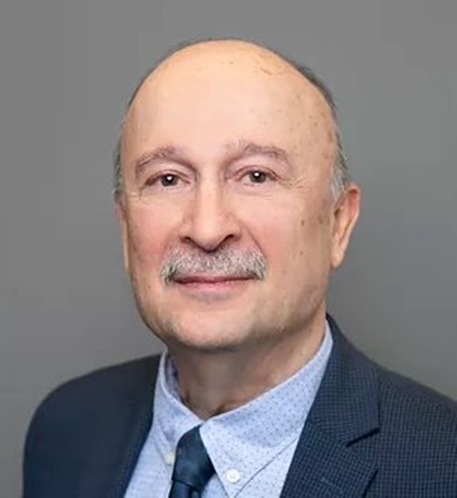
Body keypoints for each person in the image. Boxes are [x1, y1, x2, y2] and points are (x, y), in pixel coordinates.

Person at [23, 39, 457, 498]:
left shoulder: (442, 467)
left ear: (338, 223)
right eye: (168, 179)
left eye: (256, 176)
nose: (207, 229)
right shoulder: (67, 429)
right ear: (126, 225)